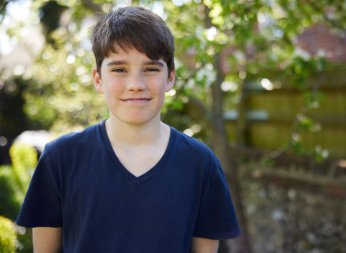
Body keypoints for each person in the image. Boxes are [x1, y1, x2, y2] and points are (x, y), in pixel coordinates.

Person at [16, 6, 240, 253]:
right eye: (119, 69)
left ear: (170, 77)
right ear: (98, 78)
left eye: (151, 69)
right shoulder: (60, 158)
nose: (136, 84)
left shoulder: (201, 164)